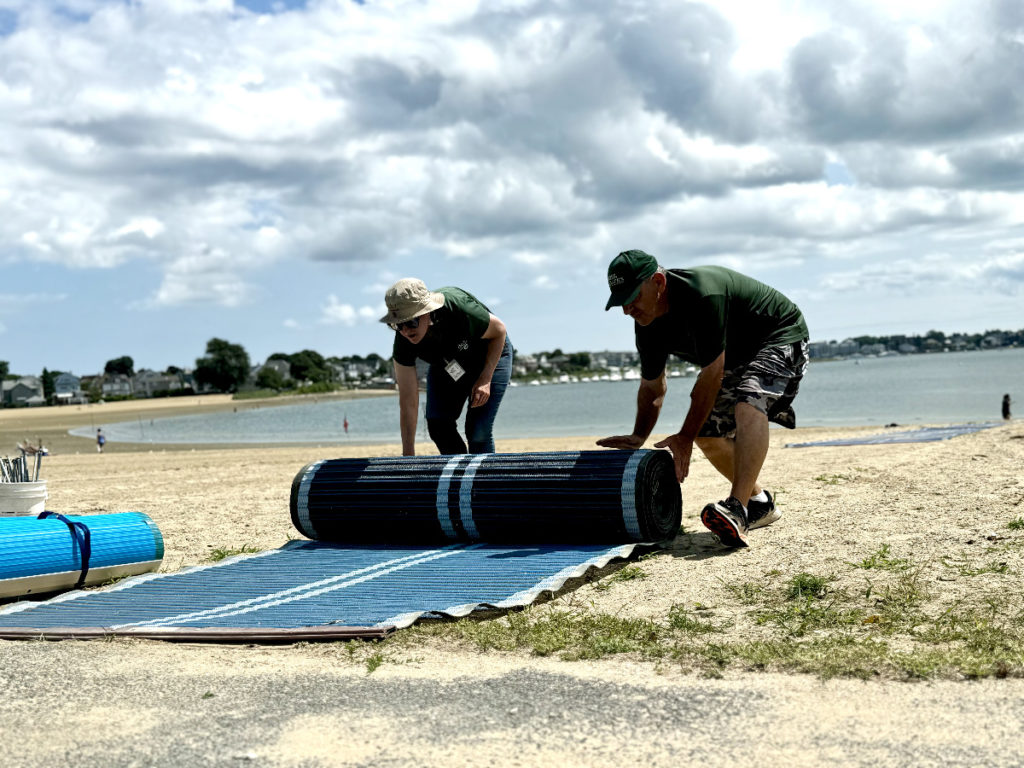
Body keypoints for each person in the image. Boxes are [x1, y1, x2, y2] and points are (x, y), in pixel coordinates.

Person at [598, 250, 809, 549]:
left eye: (632, 296)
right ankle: (759, 503)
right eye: (620, 301)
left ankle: (737, 509)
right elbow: (652, 387)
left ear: (658, 282)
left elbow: (711, 376)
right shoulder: (647, 324)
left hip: (780, 336)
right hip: (736, 359)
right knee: (709, 435)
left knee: (749, 400)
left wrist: (684, 435)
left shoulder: (700, 294)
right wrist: (638, 435)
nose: (626, 309)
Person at [382, 278, 513, 456]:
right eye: (397, 324)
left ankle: (483, 481)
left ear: (427, 311)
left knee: (477, 431)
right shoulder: (403, 342)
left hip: (490, 355)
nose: (406, 331)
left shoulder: (457, 306)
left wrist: (485, 379)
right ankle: (460, 476)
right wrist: (408, 455)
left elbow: (499, 331)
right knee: (438, 425)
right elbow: (408, 401)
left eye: (411, 322)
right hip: (447, 364)